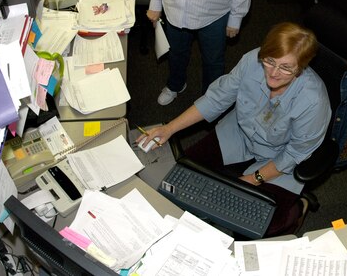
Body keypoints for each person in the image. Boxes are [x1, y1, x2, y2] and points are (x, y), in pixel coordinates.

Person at [137, 22, 332, 234]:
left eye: (286, 67)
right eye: (270, 61)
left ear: (301, 68)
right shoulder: (252, 60)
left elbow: (294, 153)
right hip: (239, 134)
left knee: (257, 224)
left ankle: (298, 209)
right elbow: (216, 99)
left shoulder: (313, 100)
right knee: (182, 177)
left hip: (279, 156)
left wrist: (254, 178)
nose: (274, 73)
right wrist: (169, 129)